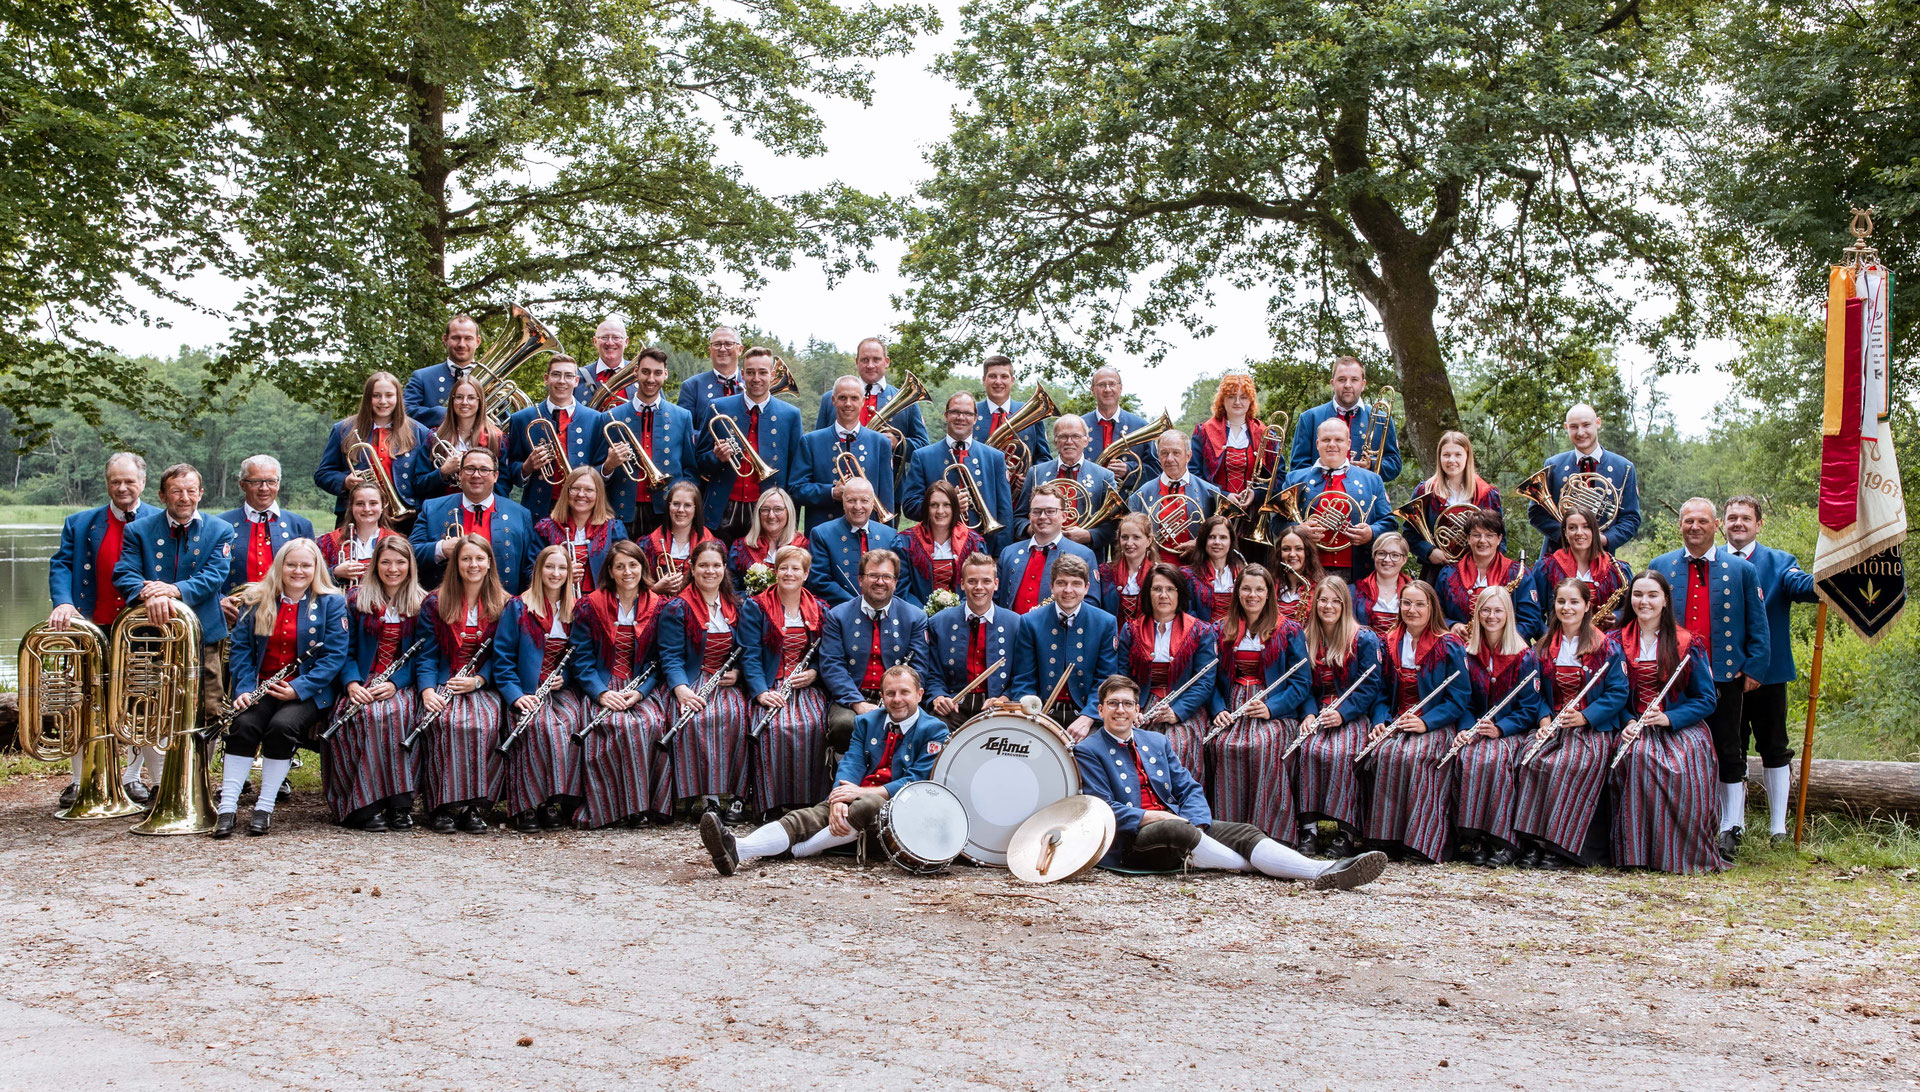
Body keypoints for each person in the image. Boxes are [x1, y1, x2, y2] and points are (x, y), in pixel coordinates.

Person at [1076, 674, 1387, 887]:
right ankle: (1258, 865)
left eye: (1127, 704)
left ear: (1137, 710)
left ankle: (1325, 870)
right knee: (1173, 827)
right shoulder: (1088, 750)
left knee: (1244, 830)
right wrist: (1152, 815)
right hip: (1133, 841)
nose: (1120, 710)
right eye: (1113, 704)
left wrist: (1197, 822)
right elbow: (1102, 808)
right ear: (1100, 709)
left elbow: (1188, 788)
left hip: (1182, 827)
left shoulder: (1154, 742)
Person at [700, 665, 946, 875]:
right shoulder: (867, 721)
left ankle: (798, 850)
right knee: (810, 815)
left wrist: (858, 792)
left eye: (905, 692)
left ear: (919, 694)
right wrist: (838, 797)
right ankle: (739, 848)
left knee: (867, 805)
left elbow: (917, 781)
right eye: (890, 693)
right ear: (882, 695)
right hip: (854, 794)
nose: (897, 699)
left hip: (897, 811)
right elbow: (852, 763)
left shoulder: (935, 730)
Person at [1647, 498, 1769, 856]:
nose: (1694, 527)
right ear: (1680, 525)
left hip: (1724, 676)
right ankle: (1684, 824)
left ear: (1716, 525)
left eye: (1702, 521)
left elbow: (1758, 624)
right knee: (1676, 750)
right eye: (1688, 521)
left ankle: (1731, 827)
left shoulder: (1741, 569)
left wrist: (1754, 667)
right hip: (1672, 676)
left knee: (1728, 749)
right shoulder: (1661, 566)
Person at [46, 452, 160, 806]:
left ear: (142, 481)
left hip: (143, 628)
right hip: (91, 626)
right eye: (116, 481)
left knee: (144, 702)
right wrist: (64, 602)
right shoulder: (80, 523)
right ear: (107, 482)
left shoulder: (162, 519)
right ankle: (81, 781)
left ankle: (135, 779)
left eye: (129, 481)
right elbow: (62, 564)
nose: (123, 488)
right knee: (83, 702)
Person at [215, 539, 350, 838]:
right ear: (280, 566)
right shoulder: (257, 598)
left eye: (305, 565)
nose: (298, 571)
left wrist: (297, 688)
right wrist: (244, 690)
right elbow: (240, 651)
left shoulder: (331, 602)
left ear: (316, 568)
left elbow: (334, 658)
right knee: (244, 724)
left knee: (281, 726)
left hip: (308, 691)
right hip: (261, 687)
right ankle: (227, 807)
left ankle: (264, 807)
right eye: (291, 564)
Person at [1609, 571, 1727, 874]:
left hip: (1677, 727)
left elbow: (1706, 699)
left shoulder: (1688, 643)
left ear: (1664, 600)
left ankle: (1674, 854)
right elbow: (1613, 694)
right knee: (1636, 757)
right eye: (1638, 595)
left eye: (1652, 595)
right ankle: (1635, 852)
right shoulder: (1615, 642)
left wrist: (1668, 718)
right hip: (1634, 725)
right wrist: (1626, 720)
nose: (1644, 601)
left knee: (1680, 768)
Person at [1512, 578, 1630, 869]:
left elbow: (1618, 692)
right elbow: (1534, 690)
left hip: (1590, 730)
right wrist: (1543, 718)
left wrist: (1585, 716)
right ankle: (1534, 842)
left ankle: (1560, 846)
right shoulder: (1542, 647)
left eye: (1574, 602)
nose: (1567, 607)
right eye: (1561, 601)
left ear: (1588, 606)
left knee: (1567, 764)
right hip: (1553, 725)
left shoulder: (1606, 646)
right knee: (1530, 759)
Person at [1722, 494, 1820, 843]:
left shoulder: (1780, 563)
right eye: (1732, 517)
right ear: (1723, 522)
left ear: (1759, 524)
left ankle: (1779, 828)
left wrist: (1830, 573)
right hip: (1723, 676)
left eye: (1746, 518)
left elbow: (1804, 586)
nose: (1738, 523)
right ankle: (1732, 825)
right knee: (1730, 748)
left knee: (1774, 747)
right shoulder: (1712, 561)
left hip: (1770, 674)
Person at [113, 463, 236, 718]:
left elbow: (214, 577)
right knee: (147, 706)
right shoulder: (137, 530)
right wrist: (149, 593)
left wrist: (171, 590)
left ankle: (200, 759)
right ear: (161, 495)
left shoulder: (221, 530)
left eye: (191, 491)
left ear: (200, 493)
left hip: (204, 632)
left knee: (209, 708)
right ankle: (155, 760)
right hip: (150, 630)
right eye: (176, 491)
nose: (184, 498)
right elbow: (124, 573)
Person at [1360, 580, 1468, 864]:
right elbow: (1382, 692)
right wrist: (1380, 720)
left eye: (1420, 604)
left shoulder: (1449, 645)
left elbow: (1459, 699)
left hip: (1435, 723)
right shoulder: (1390, 641)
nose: (1412, 609)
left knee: (1415, 756)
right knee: (1384, 753)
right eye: (1406, 603)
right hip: (1399, 719)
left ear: (1432, 607)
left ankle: (1422, 841)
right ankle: (1386, 838)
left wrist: (1426, 723)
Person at [327, 536, 427, 832]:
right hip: (361, 678)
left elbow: (423, 656)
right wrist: (352, 684)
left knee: (396, 714)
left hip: (400, 683)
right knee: (360, 716)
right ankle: (361, 805)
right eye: (385, 562)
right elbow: (343, 650)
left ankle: (399, 803)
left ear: (410, 566)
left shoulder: (423, 603)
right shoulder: (356, 600)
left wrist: (396, 683)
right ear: (375, 565)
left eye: (400, 562)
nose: (393, 568)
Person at [1204, 565, 1310, 840]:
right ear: (1237, 592)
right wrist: (1218, 710)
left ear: (1269, 593)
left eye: (1259, 589)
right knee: (1223, 745)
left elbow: (1301, 683)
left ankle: (1270, 831)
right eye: (1246, 588)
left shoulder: (1289, 630)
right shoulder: (1220, 629)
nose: (1252, 595)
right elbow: (1210, 679)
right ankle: (1228, 831)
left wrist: (1272, 708)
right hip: (1233, 705)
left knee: (1263, 746)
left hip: (1273, 707)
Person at [415, 534, 510, 834]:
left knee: (484, 724)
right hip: (445, 680)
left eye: (480, 558)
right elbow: (426, 653)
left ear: (489, 563)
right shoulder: (435, 601)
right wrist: (427, 690)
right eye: (466, 558)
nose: (473, 564)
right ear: (455, 564)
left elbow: (505, 654)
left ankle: (475, 805)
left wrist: (480, 679)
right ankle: (441, 805)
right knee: (444, 722)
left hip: (482, 684)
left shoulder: (506, 603)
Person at [570, 541, 668, 829]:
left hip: (641, 686)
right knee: (608, 726)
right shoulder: (590, 605)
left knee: (649, 723)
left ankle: (641, 807)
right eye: (620, 566)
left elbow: (661, 661)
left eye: (633, 565)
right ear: (610, 571)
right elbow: (581, 660)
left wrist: (639, 692)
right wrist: (601, 693)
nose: (627, 572)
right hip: (602, 683)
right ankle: (608, 806)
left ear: (643, 568)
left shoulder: (659, 605)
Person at [1288, 576, 1384, 858]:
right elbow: (1303, 684)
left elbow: (1370, 687)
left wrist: (1342, 714)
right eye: (1323, 600)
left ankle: (1346, 831)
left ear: (1345, 605)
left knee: (1342, 753)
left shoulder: (1363, 638)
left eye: (1335, 601)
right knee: (1307, 749)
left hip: (1351, 713)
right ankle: (1309, 828)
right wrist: (1307, 713)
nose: (1328, 606)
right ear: (1315, 602)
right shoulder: (1306, 637)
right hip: (1318, 712)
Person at [493, 544, 585, 832]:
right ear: (538, 571)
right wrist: (516, 696)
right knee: (536, 725)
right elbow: (502, 659)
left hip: (557, 691)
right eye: (549, 567)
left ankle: (553, 800)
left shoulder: (575, 608)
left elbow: (580, 656)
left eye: (562, 568)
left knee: (570, 722)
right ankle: (526, 805)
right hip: (524, 689)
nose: (555, 573)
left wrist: (565, 678)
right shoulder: (518, 607)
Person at [658, 540, 753, 820]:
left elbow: (748, 649)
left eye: (715, 565)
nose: (709, 571)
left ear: (724, 568)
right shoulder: (678, 607)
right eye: (703, 565)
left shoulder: (737, 604)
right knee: (699, 717)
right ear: (692, 568)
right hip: (692, 678)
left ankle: (737, 796)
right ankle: (706, 796)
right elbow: (670, 655)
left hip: (727, 681)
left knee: (738, 715)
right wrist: (681, 689)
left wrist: (739, 674)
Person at [1450, 586, 1541, 867]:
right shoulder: (1467, 654)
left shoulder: (1524, 656)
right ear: (1476, 614)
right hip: (1476, 729)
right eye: (1485, 610)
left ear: (1508, 614)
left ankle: (1503, 839)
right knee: (1469, 758)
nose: (1491, 616)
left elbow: (1530, 708)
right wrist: (1467, 728)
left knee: (1497, 760)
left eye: (1498, 610)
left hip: (1509, 731)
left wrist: (1500, 729)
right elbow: (1462, 701)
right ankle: (1476, 836)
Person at [742, 544, 831, 815]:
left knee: (813, 724)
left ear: (805, 574)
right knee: (772, 727)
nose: (789, 573)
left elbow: (827, 653)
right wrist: (760, 692)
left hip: (803, 686)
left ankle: (807, 801)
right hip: (771, 684)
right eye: (784, 568)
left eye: (796, 569)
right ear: (775, 571)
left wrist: (814, 672)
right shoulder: (756, 606)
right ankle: (771, 801)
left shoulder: (819, 608)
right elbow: (750, 655)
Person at [819, 549, 929, 751]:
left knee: (916, 728)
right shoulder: (838, 616)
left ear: (895, 582)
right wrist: (857, 703)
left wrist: (896, 700)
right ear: (860, 580)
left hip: (898, 697)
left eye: (887, 576)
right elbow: (832, 666)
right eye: (873, 576)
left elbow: (919, 667)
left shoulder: (915, 617)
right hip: (852, 697)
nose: (880, 582)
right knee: (844, 725)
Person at [1118, 564, 1218, 775]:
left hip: (1184, 707)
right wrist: (1132, 708)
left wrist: (1177, 712)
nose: (1163, 595)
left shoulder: (1200, 631)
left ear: (1180, 593)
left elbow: (1205, 682)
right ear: (1148, 593)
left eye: (1170, 589)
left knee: (1177, 745)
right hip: (1142, 705)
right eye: (1157, 589)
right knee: (1131, 745)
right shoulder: (1130, 630)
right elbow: (1123, 677)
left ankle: (1178, 806)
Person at [1008, 555, 1119, 740]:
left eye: (1076, 583)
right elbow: (1023, 679)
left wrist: (1088, 717)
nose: (1068, 590)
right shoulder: (1030, 622)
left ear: (1087, 588)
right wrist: (1033, 715)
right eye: (1061, 583)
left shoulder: (1105, 622)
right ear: (1051, 586)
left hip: (1087, 715)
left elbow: (1105, 680)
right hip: (1041, 713)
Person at [697, 346, 803, 539]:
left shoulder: (790, 415)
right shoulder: (718, 407)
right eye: (751, 372)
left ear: (771, 375)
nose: (756, 378)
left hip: (766, 510)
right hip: (723, 507)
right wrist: (716, 457)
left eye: (763, 372)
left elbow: (795, 473)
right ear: (742, 374)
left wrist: (791, 521)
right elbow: (699, 461)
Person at [407, 447, 539, 593]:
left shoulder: (520, 514)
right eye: (470, 469)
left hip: (502, 606)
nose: (476, 475)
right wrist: (442, 549)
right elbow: (410, 554)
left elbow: (528, 567)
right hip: (446, 603)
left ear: (495, 476)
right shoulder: (432, 508)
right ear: (460, 474)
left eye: (484, 470)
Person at [1281, 418, 1394, 583]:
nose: (1332, 444)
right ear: (1317, 443)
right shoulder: (1295, 479)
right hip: (1307, 568)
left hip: (1358, 571)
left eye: (1338, 440)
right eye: (1326, 440)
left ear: (1348, 444)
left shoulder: (1372, 479)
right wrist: (1298, 531)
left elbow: (1390, 523)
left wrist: (1371, 532)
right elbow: (1277, 522)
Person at [901, 390, 1014, 553]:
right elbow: (910, 506)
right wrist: (947, 505)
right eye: (955, 412)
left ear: (975, 418)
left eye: (967, 413)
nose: (961, 417)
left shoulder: (995, 457)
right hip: (935, 549)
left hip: (982, 549)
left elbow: (1005, 513)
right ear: (946, 415)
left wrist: (999, 555)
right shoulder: (922, 456)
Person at [314, 370, 432, 526]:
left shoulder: (419, 431)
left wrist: (416, 508)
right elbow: (322, 474)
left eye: (389, 395)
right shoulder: (343, 429)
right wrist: (345, 481)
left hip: (404, 520)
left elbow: (426, 481)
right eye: (376, 395)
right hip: (355, 516)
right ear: (367, 398)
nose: (383, 401)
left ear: (398, 398)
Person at [603, 346, 699, 537]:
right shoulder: (611, 417)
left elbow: (690, 470)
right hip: (622, 511)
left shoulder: (682, 417)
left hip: (666, 512)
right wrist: (608, 466)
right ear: (635, 372)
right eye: (645, 372)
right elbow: (596, 470)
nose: (651, 379)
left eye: (657, 373)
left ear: (665, 375)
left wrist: (684, 506)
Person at [1525, 402, 1643, 553]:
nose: (1580, 432)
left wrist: (1606, 539)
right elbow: (1536, 514)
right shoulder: (1553, 465)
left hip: (1602, 556)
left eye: (1586, 425)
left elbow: (1631, 518)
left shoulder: (1624, 468)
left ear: (1598, 423)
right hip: (1559, 555)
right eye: (1574, 427)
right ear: (1566, 427)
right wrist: (1567, 535)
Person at [504, 355, 609, 520]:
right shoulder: (521, 418)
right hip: (538, 509)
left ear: (576, 381)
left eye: (568, 376)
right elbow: (511, 468)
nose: (562, 381)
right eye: (556, 375)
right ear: (546, 379)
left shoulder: (596, 419)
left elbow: (600, 468)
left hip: (581, 510)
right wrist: (527, 467)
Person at [916, 553, 1017, 724]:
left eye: (986, 581)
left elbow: (1022, 674)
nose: (979, 587)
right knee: (933, 731)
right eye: (972, 581)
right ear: (962, 584)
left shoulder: (1016, 623)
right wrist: (938, 696)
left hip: (998, 706)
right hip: (953, 705)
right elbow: (932, 672)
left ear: (996, 584)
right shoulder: (939, 623)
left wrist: (1006, 698)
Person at [217, 455, 318, 625]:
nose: (264, 488)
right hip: (234, 616)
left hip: (287, 617)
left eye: (271, 481)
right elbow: (208, 571)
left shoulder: (300, 525)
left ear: (278, 484)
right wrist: (218, 600)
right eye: (256, 482)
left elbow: (313, 575)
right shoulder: (220, 524)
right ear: (242, 484)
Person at [791, 375, 897, 529]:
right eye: (842, 398)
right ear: (833, 400)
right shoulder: (810, 441)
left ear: (862, 401)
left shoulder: (880, 443)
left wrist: (888, 536)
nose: (848, 404)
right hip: (824, 532)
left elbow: (886, 498)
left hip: (869, 532)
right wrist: (832, 492)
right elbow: (796, 490)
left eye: (854, 398)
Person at [1013, 415, 1117, 558]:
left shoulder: (1104, 476)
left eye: (1076, 436)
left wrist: (1089, 536)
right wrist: (1034, 529)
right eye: (1063, 437)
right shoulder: (1036, 473)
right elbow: (1019, 518)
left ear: (1086, 440)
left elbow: (1114, 525)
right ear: (1055, 441)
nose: (1069, 442)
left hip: (1086, 555)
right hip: (1042, 554)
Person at [1402, 430, 1500, 578]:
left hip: (1479, 572)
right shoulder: (1426, 491)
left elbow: (1500, 538)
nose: (1451, 460)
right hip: (1436, 571)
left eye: (1458, 455)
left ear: (1467, 457)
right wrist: (1429, 552)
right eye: (1446, 455)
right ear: (1439, 457)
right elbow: (1409, 534)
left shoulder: (1487, 493)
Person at [1288, 355, 1402, 482]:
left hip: (1367, 497)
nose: (1348, 385)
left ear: (1363, 384)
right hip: (1320, 498)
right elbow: (1297, 468)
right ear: (1332, 383)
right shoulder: (1309, 418)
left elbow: (1394, 465)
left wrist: (1371, 465)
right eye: (1342, 379)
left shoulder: (1381, 419)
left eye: (1354, 380)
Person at [811, 335, 929, 455]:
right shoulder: (829, 398)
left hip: (886, 473)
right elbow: (818, 444)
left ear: (886, 362)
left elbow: (923, 446)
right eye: (865, 360)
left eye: (876, 359)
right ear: (857, 362)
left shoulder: (907, 401)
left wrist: (897, 443)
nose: (870, 365)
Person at [1437, 511, 1542, 640]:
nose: (1482, 540)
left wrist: (1501, 641)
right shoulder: (1448, 574)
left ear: (1499, 539)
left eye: (1489, 535)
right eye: (1476, 535)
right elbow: (1436, 613)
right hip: (1460, 650)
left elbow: (1531, 620)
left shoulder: (1518, 573)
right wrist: (1452, 625)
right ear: (1468, 538)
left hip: (1507, 651)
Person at [995, 483, 1098, 614]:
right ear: (1030, 516)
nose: (1043, 517)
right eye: (1036, 511)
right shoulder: (1009, 552)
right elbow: (996, 600)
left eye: (1050, 511)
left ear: (1064, 516)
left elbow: (1090, 604)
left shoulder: (1083, 554)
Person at [805, 478, 908, 606]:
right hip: (841, 611)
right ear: (843, 503)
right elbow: (820, 581)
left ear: (872, 503)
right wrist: (857, 605)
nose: (858, 507)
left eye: (864, 500)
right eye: (851, 500)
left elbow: (899, 579)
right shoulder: (822, 534)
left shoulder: (889, 535)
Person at [1126, 430, 1222, 564]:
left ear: (1188, 456)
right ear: (1158, 456)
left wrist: (1200, 543)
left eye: (1176, 453)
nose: (1170, 459)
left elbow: (1221, 536)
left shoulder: (1210, 492)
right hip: (1155, 571)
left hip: (1197, 568)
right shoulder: (1140, 495)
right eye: (1164, 453)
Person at [1528, 508, 1630, 631]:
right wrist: (1549, 640)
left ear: (1595, 531)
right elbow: (1532, 613)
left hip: (1606, 645)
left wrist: (1616, 617)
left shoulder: (1617, 569)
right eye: (1572, 528)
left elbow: (1631, 608)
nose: (1579, 533)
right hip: (1560, 644)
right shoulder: (1547, 568)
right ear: (1565, 533)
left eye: (1586, 527)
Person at [412, 374, 508, 506]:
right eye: (459, 397)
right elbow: (419, 484)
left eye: (471, 398)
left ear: (480, 402)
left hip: (482, 514)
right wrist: (443, 471)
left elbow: (503, 487)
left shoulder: (496, 438)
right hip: (442, 510)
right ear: (452, 401)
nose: (464, 402)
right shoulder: (434, 436)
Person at [533, 466, 629, 597]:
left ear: (598, 494)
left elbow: (625, 569)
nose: (581, 494)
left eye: (589, 490)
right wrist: (560, 574)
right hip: (556, 601)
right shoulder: (546, 528)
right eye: (575, 489)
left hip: (601, 604)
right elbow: (530, 570)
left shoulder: (613, 528)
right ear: (567, 491)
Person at [1190, 373, 1273, 519]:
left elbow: (1278, 477)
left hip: (1254, 515)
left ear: (1250, 401)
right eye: (1231, 396)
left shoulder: (1265, 433)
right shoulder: (1204, 432)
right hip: (1214, 512)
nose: (1237, 402)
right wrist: (1223, 495)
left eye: (1243, 397)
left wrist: (1256, 493)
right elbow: (1193, 474)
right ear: (1222, 400)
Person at [974, 354, 1052, 497]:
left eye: (1004, 376)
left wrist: (1031, 478)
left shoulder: (1031, 413)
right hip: (980, 495)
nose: (998, 382)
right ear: (984, 380)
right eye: (992, 376)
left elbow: (1044, 459)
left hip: (1021, 499)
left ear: (1012, 380)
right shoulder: (971, 412)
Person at [901, 480, 989, 605]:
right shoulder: (906, 543)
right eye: (934, 505)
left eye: (947, 505)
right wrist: (923, 615)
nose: (940, 511)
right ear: (926, 508)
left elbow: (979, 586)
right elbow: (901, 589)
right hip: (918, 618)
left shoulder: (973, 543)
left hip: (960, 616)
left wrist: (958, 613)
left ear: (955, 508)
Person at [318, 482, 405, 592]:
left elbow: (407, 581)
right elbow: (311, 577)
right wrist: (335, 572)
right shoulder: (328, 542)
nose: (367, 509)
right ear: (351, 507)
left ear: (382, 506)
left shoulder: (398, 542)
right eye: (360, 504)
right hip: (341, 607)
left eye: (373, 503)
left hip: (383, 605)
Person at [637, 480, 717, 599]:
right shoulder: (649, 544)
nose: (680, 510)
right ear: (669, 506)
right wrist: (656, 589)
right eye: (676, 504)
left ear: (696, 510)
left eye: (687, 505)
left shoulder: (711, 544)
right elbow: (635, 589)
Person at [1083, 366, 1161, 485]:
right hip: (1089, 499)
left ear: (1120, 388)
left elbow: (1155, 471)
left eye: (1112, 384)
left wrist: (1129, 470)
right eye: (1102, 385)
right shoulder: (1080, 425)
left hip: (1127, 501)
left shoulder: (1140, 426)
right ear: (1093, 390)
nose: (1107, 389)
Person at [402, 314, 481, 427]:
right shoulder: (422, 376)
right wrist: (443, 414)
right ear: (445, 339)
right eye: (456, 338)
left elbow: (504, 421)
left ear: (478, 341)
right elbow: (405, 412)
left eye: (468, 338)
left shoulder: (492, 379)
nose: (462, 344)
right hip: (434, 443)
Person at [729, 487, 810, 588]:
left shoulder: (802, 546)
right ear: (758, 514)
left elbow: (809, 586)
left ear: (788, 512)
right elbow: (731, 588)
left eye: (778, 509)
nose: (771, 515)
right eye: (765, 510)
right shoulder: (740, 547)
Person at [677, 325, 746, 430]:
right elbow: (683, 430)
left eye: (728, 344)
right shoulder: (692, 386)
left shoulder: (751, 383)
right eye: (717, 344)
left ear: (740, 349)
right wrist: (714, 444)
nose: (722, 349)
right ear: (710, 350)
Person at [1096, 513, 1154, 625]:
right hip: (1112, 636)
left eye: (1136, 537)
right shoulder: (1104, 572)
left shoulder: (1158, 574)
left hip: (1146, 639)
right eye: (1124, 537)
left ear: (1149, 540)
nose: (1129, 543)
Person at [1352, 530, 1412, 639]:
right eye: (1381, 553)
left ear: (1404, 560)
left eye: (1395, 555)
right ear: (1374, 556)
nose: (1387, 559)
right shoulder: (1354, 592)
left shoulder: (1416, 593)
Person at [1183, 516, 1242, 624]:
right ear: (1204, 541)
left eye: (1223, 537)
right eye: (1212, 537)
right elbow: (1188, 615)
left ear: (1231, 541)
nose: (1217, 542)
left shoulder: (1242, 575)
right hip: (1202, 638)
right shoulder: (1188, 576)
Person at [576, 316, 638, 408]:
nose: (610, 343)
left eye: (616, 337)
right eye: (604, 337)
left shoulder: (641, 375)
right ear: (595, 341)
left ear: (626, 342)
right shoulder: (577, 376)